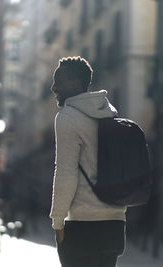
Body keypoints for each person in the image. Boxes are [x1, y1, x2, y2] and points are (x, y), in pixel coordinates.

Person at [49, 56, 127, 267]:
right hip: (114, 226)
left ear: (75, 83)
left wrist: (58, 223)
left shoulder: (67, 117)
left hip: (82, 226)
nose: (53, 87)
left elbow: (66, 172)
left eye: (59, 80)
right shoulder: (109, 114)